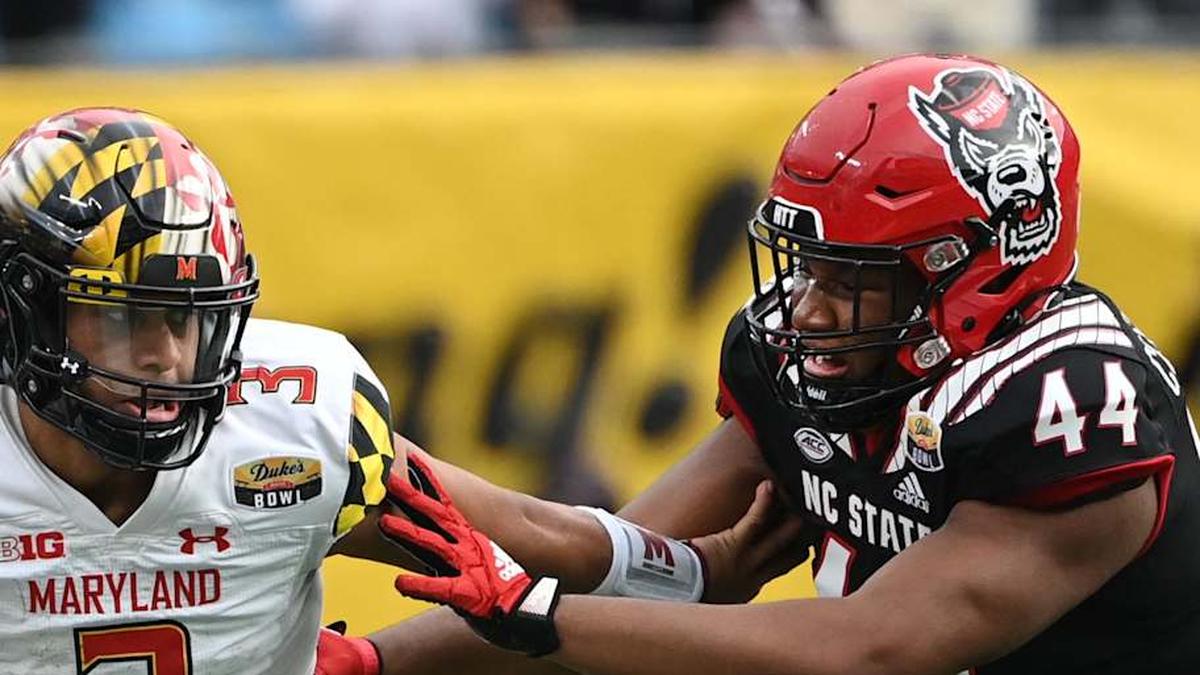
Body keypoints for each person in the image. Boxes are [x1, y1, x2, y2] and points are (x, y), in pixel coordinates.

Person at [375, 53, 1200, 674]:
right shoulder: (819, 360)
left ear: (972, 266)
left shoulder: (1075, 404)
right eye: (809, 266)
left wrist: (541, 615)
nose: (806, 309)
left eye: (850, 279)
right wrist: (372, 650)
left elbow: (868, 648)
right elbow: (619, 556)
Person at [0, 106, 749, 675]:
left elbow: (532, 541)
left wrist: (694, 572)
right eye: (124, 318)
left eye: (185, 318)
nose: (166, 358)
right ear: (22, 307)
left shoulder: (296, 423)